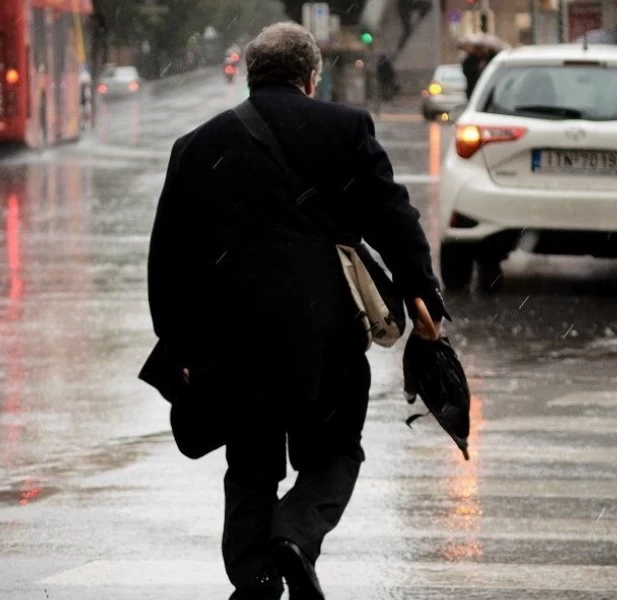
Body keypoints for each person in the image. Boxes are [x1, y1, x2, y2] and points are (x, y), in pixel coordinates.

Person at [145, 22, 447, 600]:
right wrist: (422, 295)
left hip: (232, 341)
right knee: (335, 450)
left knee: (251, 459)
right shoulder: (344, 129)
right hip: (323, 330)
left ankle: (254, 573)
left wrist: (178, 345)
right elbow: (394, 219)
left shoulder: (196, 145)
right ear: (311, 78)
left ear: (252, 76)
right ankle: (296, 532)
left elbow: (168, 258)